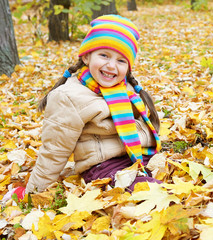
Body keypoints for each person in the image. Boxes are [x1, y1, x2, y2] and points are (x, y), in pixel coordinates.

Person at [5, 15, 161, 200]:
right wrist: (32, 194)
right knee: (151, 194)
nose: (111, 66)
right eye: (104, 55)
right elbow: (53, 152)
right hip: (104, 166)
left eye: (121, 60)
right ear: (87, 56)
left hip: (137, 156)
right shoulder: (69, 97)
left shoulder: (124, 89)